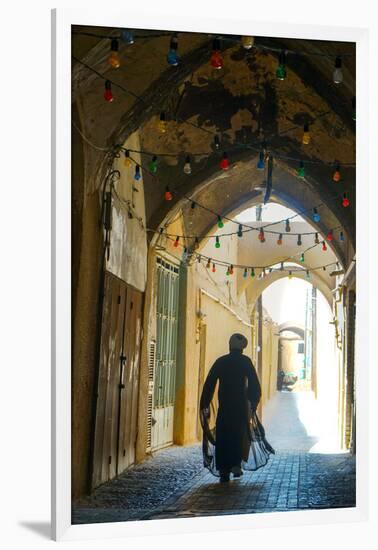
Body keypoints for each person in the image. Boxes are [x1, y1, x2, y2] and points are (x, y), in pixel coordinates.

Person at [199, 333, 274, 483]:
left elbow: (209, 383)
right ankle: (235, 464)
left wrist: (205, 403)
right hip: (240, 407)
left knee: (223, 436)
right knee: (238, 435)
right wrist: (253, 402)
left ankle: (223, 471)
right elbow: (255, 385)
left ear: (230, 345)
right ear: (242, 349)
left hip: (224, 406)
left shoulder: (221, 361)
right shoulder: (245, 362)